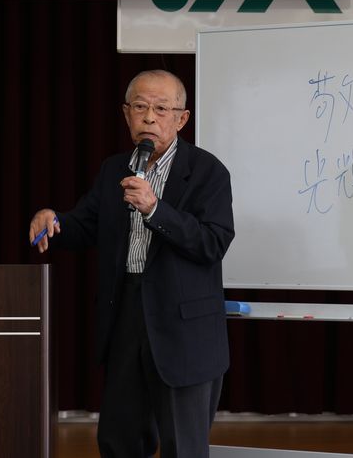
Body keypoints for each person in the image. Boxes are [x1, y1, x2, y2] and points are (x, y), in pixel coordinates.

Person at [29, 69, 234, 458]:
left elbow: (213, 242)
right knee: (118, 442)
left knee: (183, 448)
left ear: (181, 118)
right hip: (125, 318)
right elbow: (85, 224)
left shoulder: (207, 171)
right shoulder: (114, 169)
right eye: (140, 107)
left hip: (183, 330)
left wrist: (155, 209)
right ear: (126, 114)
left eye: (161, 108)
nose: (149, 117)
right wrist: (54, 220)